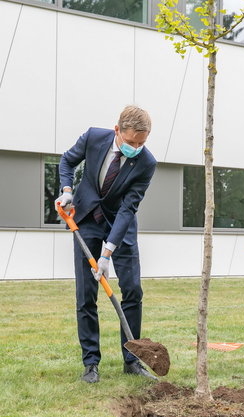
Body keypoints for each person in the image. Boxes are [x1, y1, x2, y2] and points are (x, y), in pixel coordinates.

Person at [55, 105, 157, 383]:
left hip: (120, 227)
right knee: (86, 294)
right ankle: (91, 363)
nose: (136, 147)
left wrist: (107, 253)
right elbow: (67, 161)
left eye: (141, 143)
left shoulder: (146, 163)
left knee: (133, 291)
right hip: (86, 220)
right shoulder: (93, 138)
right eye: (131, 141)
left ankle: (132, 360)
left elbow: (128, 209)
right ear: (117, 131)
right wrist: (66, 191)